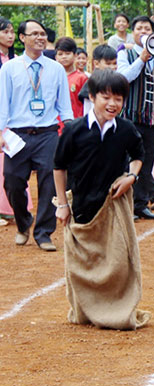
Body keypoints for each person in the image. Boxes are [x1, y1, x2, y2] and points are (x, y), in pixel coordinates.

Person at [52, 70, 149, 330]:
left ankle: (118, 309)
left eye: (118, 98)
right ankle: (87, 310)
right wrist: (62, 205)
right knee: (82, 263)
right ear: (92, 97)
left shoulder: (126, 129)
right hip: (81, 205)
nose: (113, 104)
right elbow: (59, 167)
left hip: (113, 204)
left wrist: (131, 176)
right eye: (106, 97)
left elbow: (139, 156)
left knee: (118, 260)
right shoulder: (74, 130)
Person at [0, 19, 74, 251]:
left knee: (50, 183)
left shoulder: (55, 69)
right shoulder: (9, 68)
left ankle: (44, 233)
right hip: (17, 134)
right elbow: (3, 103)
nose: (40, 37)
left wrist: (71, 133)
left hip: (48, 133)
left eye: (42, 34)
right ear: (22, 38)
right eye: (34, 34)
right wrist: (1, 132)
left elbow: (65, 107)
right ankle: (24, 223)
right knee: (12, 181)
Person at [116, 15, 154, 221]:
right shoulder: (126, 53)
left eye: (147, 28)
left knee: (146, 163)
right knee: (127, 163)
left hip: (151, 120)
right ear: (133, 32)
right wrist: (141, 59)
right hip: (130, 118)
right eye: (139, 28)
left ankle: (141, 206)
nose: (143, 31)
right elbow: (124, 78)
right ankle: (126, 207)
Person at [0, 17, 32, 226]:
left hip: (14, 117)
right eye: (5, 31)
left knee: (13, 161)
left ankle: (13, 208)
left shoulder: (16, 60)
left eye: (12, 32)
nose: (10, 36)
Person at [78, 45, 117, 115]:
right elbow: (87, 111)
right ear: (96, 63)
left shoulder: (116, 82)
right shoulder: (91, 85)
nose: (112, 67)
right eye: (108, 64)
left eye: (115, 63)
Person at [55, 36, 88, 119]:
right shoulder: (52, 77)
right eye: (60, 54)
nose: (64, 57)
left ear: (75, 55)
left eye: (67, 53)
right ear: (56, 57)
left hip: (75, 123)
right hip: (55, 125)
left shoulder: (82, 78)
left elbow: (87, 105)